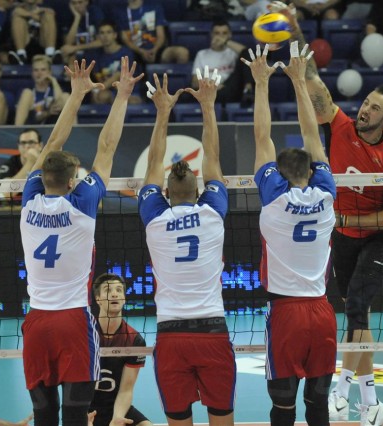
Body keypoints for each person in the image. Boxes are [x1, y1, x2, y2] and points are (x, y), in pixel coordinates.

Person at [272, 3, 383, 424]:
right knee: (352, 313)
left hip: (377, 238)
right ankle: (364, 400)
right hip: (344, 241)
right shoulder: (342, 127)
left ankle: (355, 397)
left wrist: (346, 221)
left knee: (357, 310)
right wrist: (294, 28)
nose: (365, 109)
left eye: (374, 108)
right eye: (365, 102)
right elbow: (313, 84)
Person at [20, 56, 143, 426]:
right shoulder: (83, 205)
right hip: (73, 320)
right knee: (76, 412)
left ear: (43, 176)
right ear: (74, 180)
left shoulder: (28, 201)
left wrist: (75, 95)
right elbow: (106, 148)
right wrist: (122, 94)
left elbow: (53, 143)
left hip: (37, 320)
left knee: (45, 413)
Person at [242, 41, 337, 426]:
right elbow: (313, 136)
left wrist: (262, 83)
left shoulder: (274, 200)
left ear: (278, 176)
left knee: (283, 408)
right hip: (322, 310)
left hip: (286, 314)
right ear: (311, 171)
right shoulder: (327, 195)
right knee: (318, 407)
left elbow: (262, 137)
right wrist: (299, 81)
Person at [137, 69, 235, 426]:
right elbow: (213, 160)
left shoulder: (154, 217)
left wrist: (162, 111)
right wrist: (208, 105)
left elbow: (152, 164)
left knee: (178, 420)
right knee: (222, 418)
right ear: (199, 192)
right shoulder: (212, 213)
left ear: (165, 194)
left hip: (171, 334)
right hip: (212, 331)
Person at [89, 273, 152, 426]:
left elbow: (126, 389)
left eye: (119, 290)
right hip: (87, 407)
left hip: (117, 406)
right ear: (98, 299)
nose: (114, 293)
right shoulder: (86, 334)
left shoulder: (134, 340)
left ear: (124, 298)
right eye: (108, 290)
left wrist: (117, 418)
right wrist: (81, 414)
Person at [191, 20, 250, 104]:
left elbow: (248, 53)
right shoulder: (202, 54)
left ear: (230, 35)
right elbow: (195, 82)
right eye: (217, 33)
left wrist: (225, 42)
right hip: (211, 90)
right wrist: (212, 85)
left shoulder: (234, 52)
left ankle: (248, 90)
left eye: (224, 33)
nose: (220, 37)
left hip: (231, 87)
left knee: (247, 55)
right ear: (211, 35)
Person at [82, 22, 142, 105]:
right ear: (98, 37)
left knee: (130, 102)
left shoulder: (126, 53)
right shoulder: (95, 55)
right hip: (109, 92)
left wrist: (97, 90)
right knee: (101, 97)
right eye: (102, 33)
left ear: (115, 35)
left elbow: (117, 76)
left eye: (109, 32)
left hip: (129, 94)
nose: (105, 36)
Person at [114, 0, 189, 66]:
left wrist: (155, 50)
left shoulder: (154, 7)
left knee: (182, 53)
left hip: (155, 49)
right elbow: (125, 39)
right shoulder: (120, 12)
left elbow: (161, 35)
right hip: (134, 52)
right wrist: (141, 52)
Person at [14, 54, 70, 125]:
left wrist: (53, 81)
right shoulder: (28, 92)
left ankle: (76, 133)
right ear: (32, 73)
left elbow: (59, 104)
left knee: (65, 96)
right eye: (36, 70)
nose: (39, 73)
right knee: (27, 93)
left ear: (49, 72)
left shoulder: (55, 90)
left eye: (43, 70)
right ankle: (17, 132)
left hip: (53, 128)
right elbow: (34, 118)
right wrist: (47, 113)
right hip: (31, 129)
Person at [7, 0, 59, 65]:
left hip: (42, 45)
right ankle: (21, 56)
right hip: (25, 45)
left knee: (48, 16)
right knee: (18, 18)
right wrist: (32, 14)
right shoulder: (15, 9)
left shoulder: (45, 9)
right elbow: (15, 12)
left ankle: (50, 54)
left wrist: (35, 16)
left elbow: (51, 13)